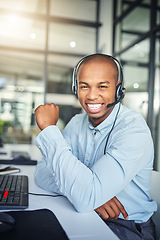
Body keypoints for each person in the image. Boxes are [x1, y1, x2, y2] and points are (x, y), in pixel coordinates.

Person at [34, 53, 157, 240]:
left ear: (118, 90)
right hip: (86, 215)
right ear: (76, 88)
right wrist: (87, 195)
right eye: (84, 86)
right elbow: (41, 173)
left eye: (102, 86)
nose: (91, 96)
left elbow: (84, 197)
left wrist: (50, 129)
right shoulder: (76, 123)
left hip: (127, 226)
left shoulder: (133, 130)